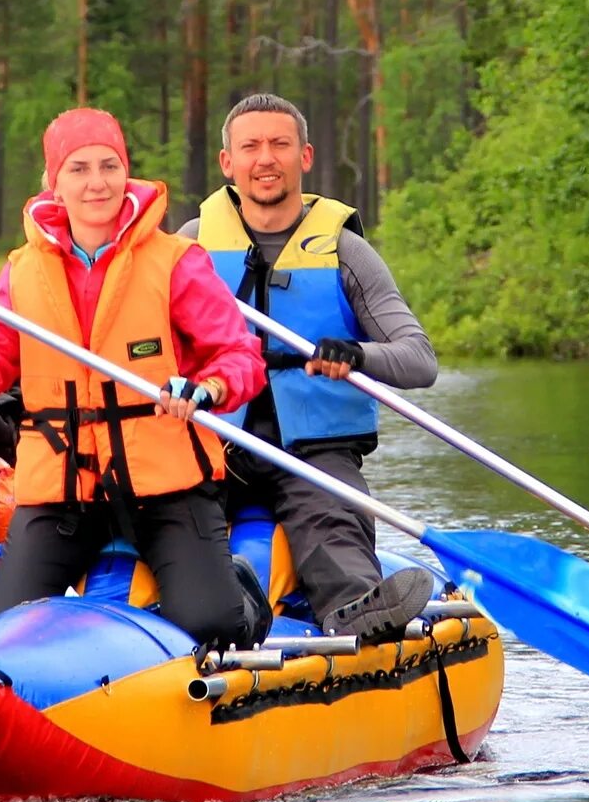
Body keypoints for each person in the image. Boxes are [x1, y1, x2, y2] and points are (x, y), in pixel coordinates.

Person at [0, 108, 270, 648]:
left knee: (214, 626)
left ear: (127, 173)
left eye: (109, 166)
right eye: (78, 169)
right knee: (1, 636)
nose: (96, 183)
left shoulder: (176, 261)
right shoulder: (25, 270)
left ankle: (238, 591)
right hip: (63, 493)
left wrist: (208, 388)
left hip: (166, 486)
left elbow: (240, 357)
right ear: (54, 183)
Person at [182, 93, 435, 642]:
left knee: (331, 524)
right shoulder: (186, 250)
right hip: (210, 435)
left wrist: (357, 355)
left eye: (280, 144)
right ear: (228, 162)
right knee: (168, 518)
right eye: (250, 146)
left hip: (314, 449)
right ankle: (190, 619)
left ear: (305, 157)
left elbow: (419, 360)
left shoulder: (346, 251)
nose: (265, 158)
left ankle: (357, 614)